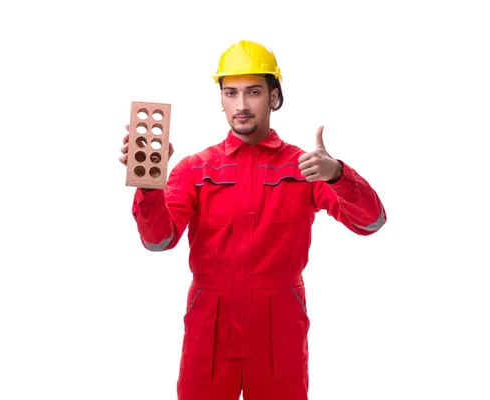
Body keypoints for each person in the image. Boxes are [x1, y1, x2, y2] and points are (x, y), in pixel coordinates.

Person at [119, 39, 387, 400]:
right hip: (209, 326)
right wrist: (150, 184)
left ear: (274, 97)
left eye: (254, 92)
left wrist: (337, 173)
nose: (241, 105)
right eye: (231, 93)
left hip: (279, 328)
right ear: (221, 100)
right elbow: (158, 240)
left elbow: (370, 222)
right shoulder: (195, 169)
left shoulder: (304, 167)